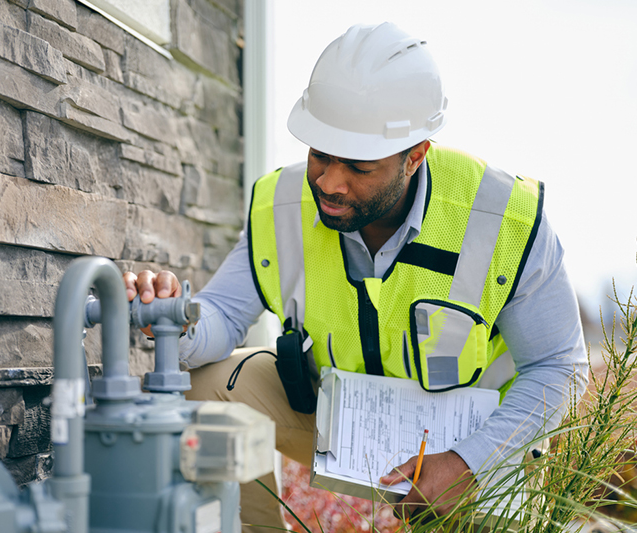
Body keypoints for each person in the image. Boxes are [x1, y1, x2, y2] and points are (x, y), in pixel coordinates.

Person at [124, 22, 587, 532]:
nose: (329, 182)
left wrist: (466, 464)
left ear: (416, 155)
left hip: (470, 446)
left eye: (359, 167)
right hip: (344, 426)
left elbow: (558, 367)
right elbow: (222, 316)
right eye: (320, 154)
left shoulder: (501, 219)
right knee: (205, 384)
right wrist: (173, 317)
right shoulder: (282, 205)